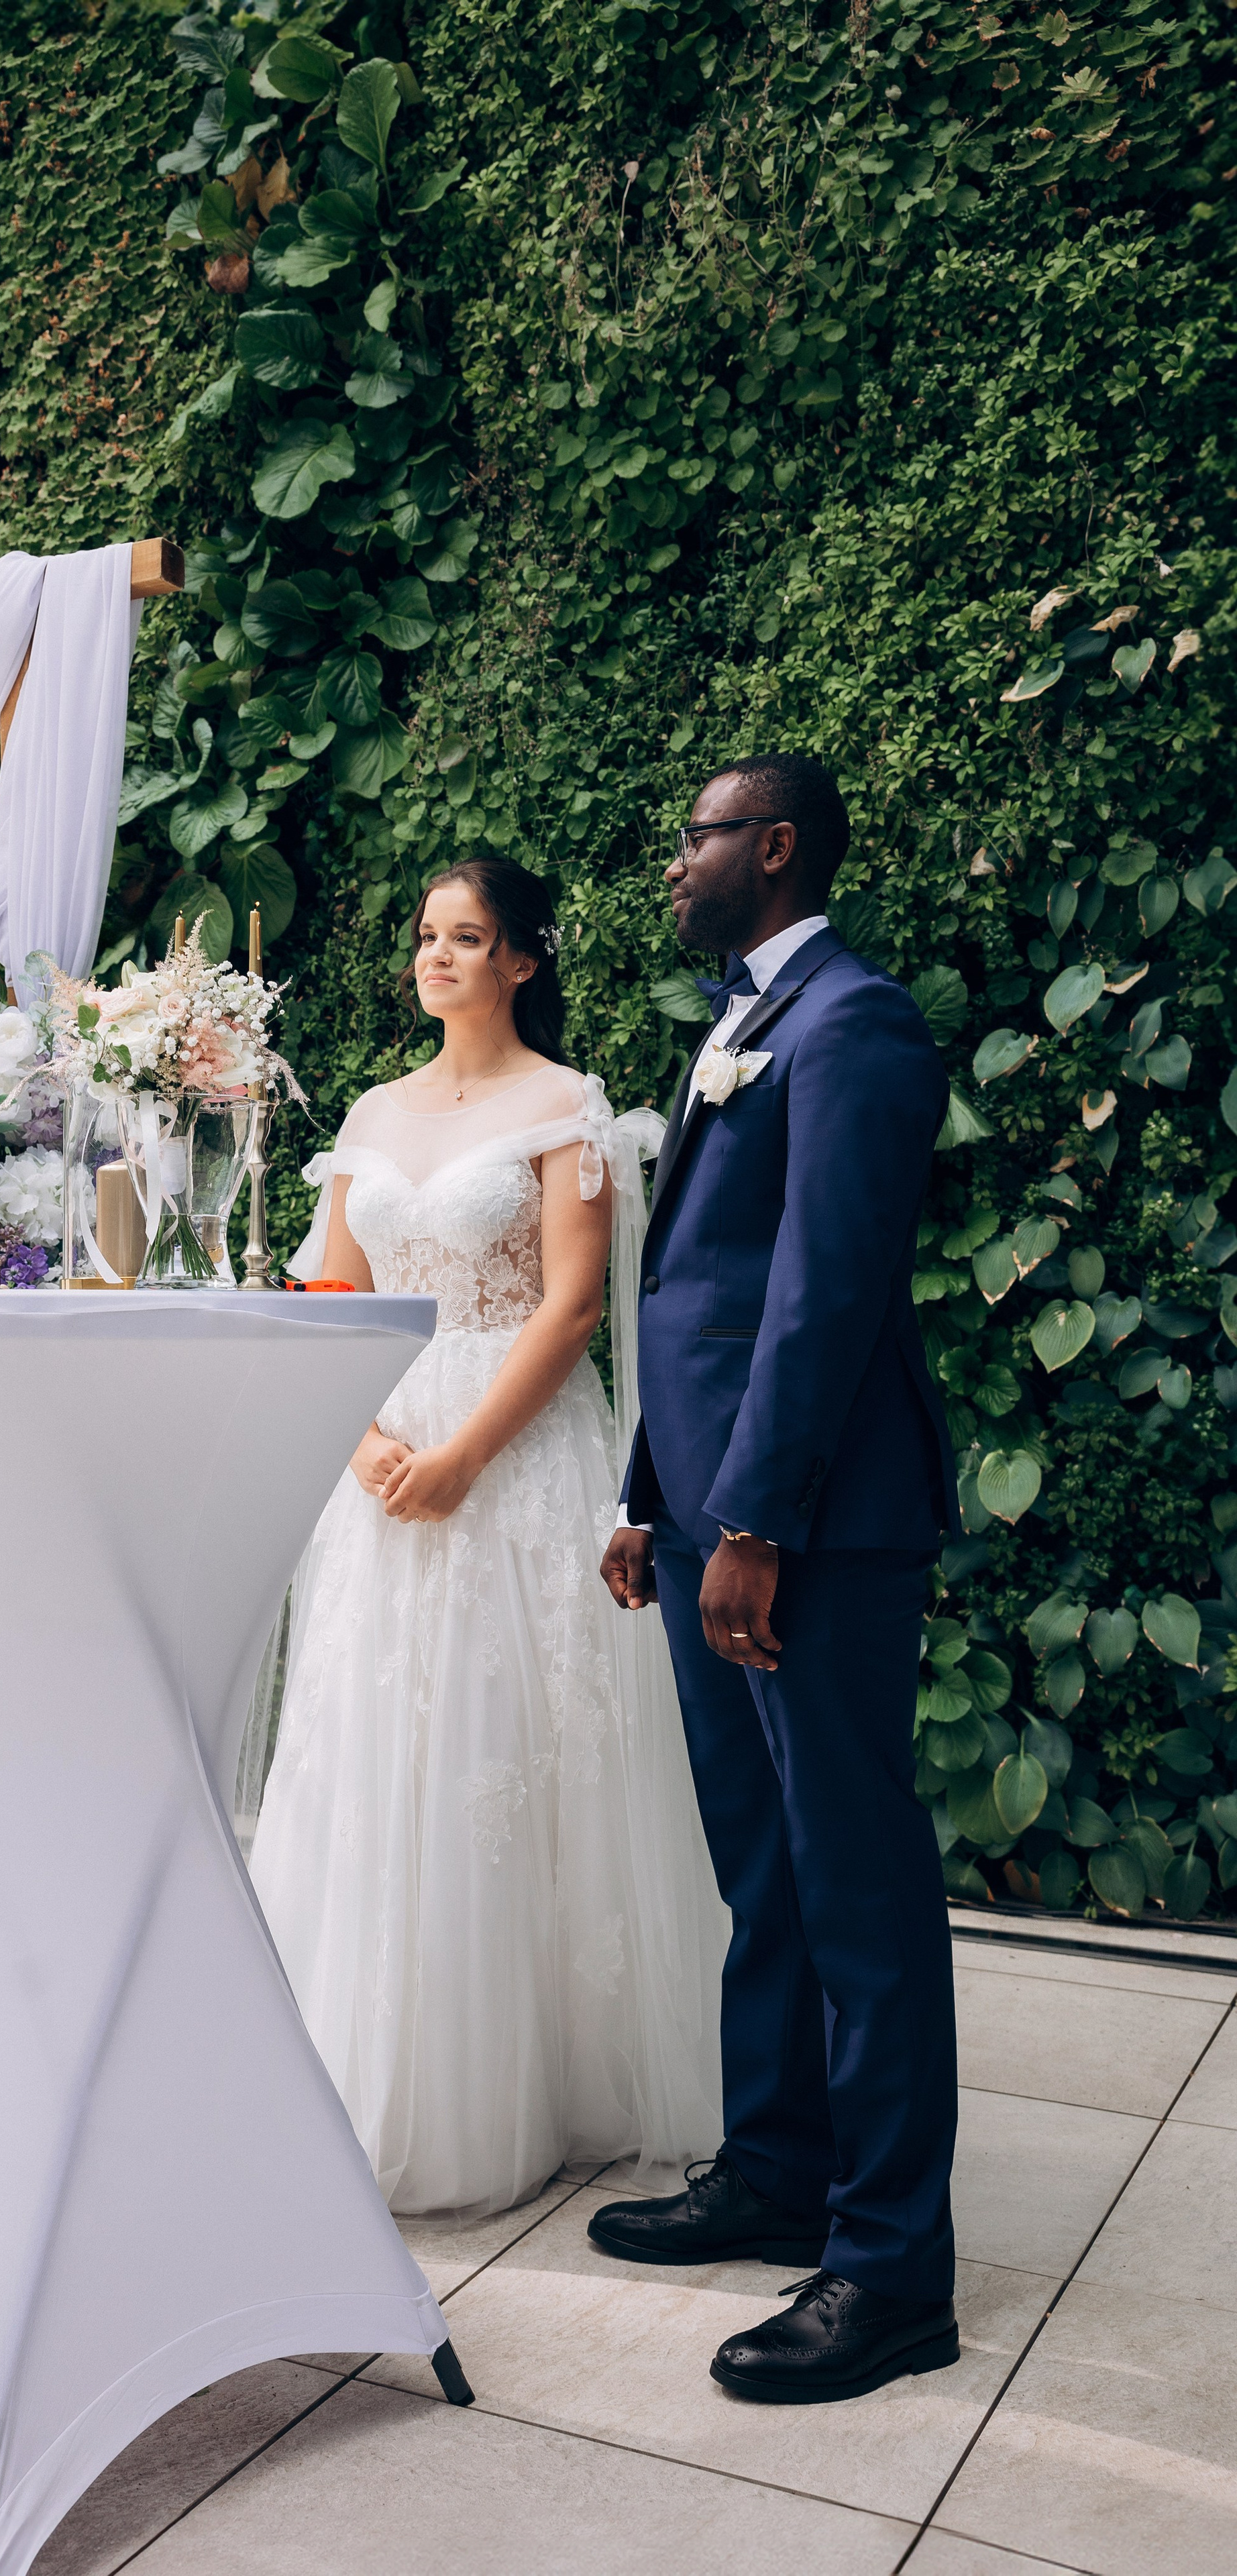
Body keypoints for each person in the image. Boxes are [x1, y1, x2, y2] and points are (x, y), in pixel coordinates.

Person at [246, 855, 728, 2217]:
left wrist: (460, 1455)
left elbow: (573, 1309)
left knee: (508, 1747)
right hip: (381, 1449)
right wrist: (359, 1442)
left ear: (522, 959)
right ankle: (357, 2067)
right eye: (425, 936)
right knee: (371, 1738)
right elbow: (322, 1289)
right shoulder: (370, 1111)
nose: (437, 957)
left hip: (509, 1454)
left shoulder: (562, 1107)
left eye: (466, 938)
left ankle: (540, 2084)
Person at [592, 752, 963, 2404]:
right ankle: (774, 2168)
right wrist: (646, 1495)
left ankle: (888, 2270)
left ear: (777, 846)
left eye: (699, 833)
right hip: (700, 1512)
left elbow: (820, 1293)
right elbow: (692, 1289)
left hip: (804, 1523)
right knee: (762, 1866)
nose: (676, 860)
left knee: (858, 1888)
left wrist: (752, 1523)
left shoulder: (855, 1023)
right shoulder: (740, 1022)